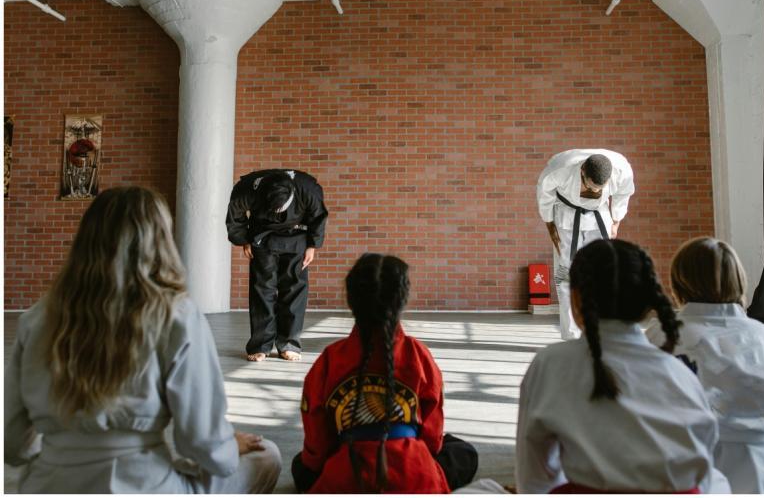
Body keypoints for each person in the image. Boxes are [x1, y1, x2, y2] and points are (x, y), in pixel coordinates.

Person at [4, 186, 282, 493]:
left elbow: (12, 443)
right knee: (266, 454)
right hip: (144, 483)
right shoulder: (177, 314)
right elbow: (202, 444)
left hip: (50, 483)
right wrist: (229, 446)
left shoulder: (35, 318)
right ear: (161, 240)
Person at [516, 239, 729, 493]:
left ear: (575, 298)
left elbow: (534, 477)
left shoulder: (551, 363)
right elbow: (703, 464)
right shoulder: (679, 374)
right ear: (648, 301)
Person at [291, 253, 478, 493]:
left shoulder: (330, 359)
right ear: (402, 301)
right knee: (463, 452)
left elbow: (317, 446)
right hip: (412, 472)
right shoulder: (418, 355)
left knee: (301, 465)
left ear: (351, 301)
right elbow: (432, 440)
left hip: (347, 473)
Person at [644, 237, 764, 493]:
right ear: (739, 281)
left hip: (681, 458)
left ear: (678, 284)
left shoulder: (659, 333)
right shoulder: (762, 335)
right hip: (759, 462)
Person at [226, 169, 328, 362]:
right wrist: (244, 240)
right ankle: (260, 344)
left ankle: (289, 343)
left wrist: (313, 246)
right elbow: (235, 216)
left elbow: (318, 217)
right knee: (262, 288)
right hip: (262, 236)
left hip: (297, 235)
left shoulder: (307, 188)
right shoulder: (246, 189)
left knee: (294, 288)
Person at [537, 149, 635, 339]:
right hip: (566, 216)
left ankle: (600, 331)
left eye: (599, 188)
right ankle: (571, 335)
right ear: (582, 170)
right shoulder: (560, 169)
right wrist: (549, 223)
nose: (594, 191)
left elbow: (623, 194)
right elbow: (544, 193)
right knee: (566, 274)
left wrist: (616, 220)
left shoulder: (622, 170)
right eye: (590, 187)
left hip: (600, 215)